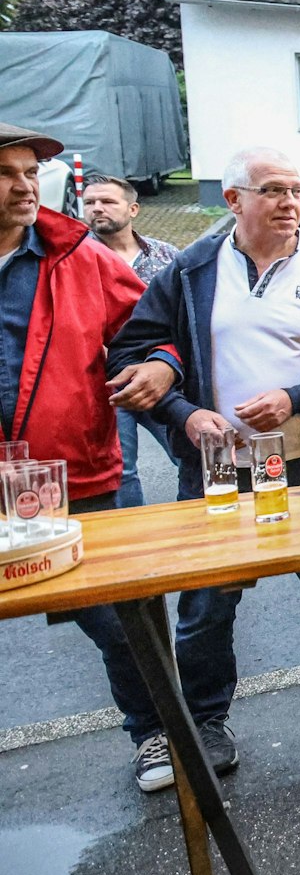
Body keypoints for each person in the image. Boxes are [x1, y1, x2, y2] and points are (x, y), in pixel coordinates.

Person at [111, 146, 300, 763]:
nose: (290, 202)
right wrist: (183, 412)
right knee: (209, 603)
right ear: (233, 199)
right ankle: (206, 720)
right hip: (217, 467)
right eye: (272, 190)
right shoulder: (190, 270)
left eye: (295, 189)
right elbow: (129, 354)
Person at [0, 125, 165, 790]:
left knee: (123, 618)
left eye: (27, 171)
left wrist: (160, 366)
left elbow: (151, 331)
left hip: (75, 475)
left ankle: (156, 732)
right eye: (5, 173)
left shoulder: (79, 257)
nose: (22, 185)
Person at [80, 172, 178, 508]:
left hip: (161, 375)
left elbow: (184, 314)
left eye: (107, 201)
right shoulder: (73, 258)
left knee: (190, 454)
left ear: (133, 209)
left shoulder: (166, 256)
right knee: (121, 471)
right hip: (105, 382)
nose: (97, 209)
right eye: (90, 203)